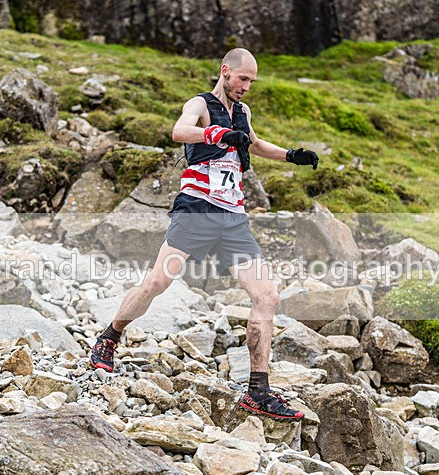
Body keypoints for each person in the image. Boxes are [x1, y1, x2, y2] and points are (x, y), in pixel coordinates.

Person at [89, 48, 319, 421]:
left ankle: (258, 391)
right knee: (157, 283)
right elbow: (179, 130)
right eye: (242, 79)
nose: (246, 87)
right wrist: (217, 133)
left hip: (233, 219)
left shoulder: (243, 113)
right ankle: (110, 337)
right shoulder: (200, 104)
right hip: (196, 212)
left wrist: (292, 155)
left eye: (251, 82)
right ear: (225, 71)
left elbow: (255, 145)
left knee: (267, 295)